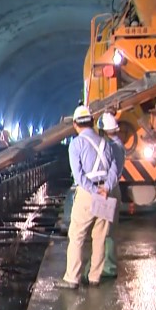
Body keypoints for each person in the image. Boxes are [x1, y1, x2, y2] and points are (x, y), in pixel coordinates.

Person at [56, 105, 119, 289]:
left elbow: (78, 175)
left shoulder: (76, 144)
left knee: (77, 235)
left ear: (75, 124)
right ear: (92, 122)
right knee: (100, 236)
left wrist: (93, 190)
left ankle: (72, 278)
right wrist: (106, 187)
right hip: (106, 192)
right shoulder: (105, 142)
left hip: (88, 193)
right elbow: (115, 169)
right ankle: (94, 277)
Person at [97, 112, 125, 279]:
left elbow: (112, 171)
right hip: (114, 188)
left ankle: (107, 267)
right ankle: (108, 265)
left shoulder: (112, 146)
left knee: (104, 230)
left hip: (109, 190)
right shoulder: (117, 144)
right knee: (109, 230)